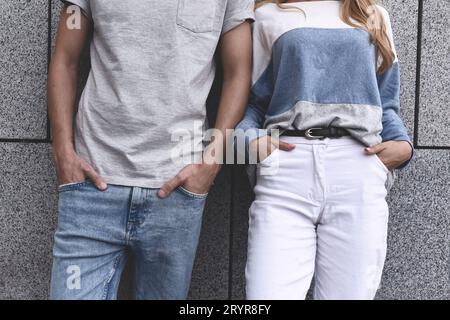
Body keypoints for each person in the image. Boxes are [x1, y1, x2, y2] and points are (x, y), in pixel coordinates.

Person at [48, 0, 253, 300]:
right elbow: (65, 59)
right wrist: (63, 153)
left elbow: (238, 73)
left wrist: (211, 163)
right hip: (91, 188)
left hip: (177, 193)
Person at [237, 0, 413, 300]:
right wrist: (248, 141)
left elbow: (385, 103)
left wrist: (403, 146)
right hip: (287, 169)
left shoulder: (372, 14)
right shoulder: (267, 15)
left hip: (357, 169)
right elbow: (255, 100)